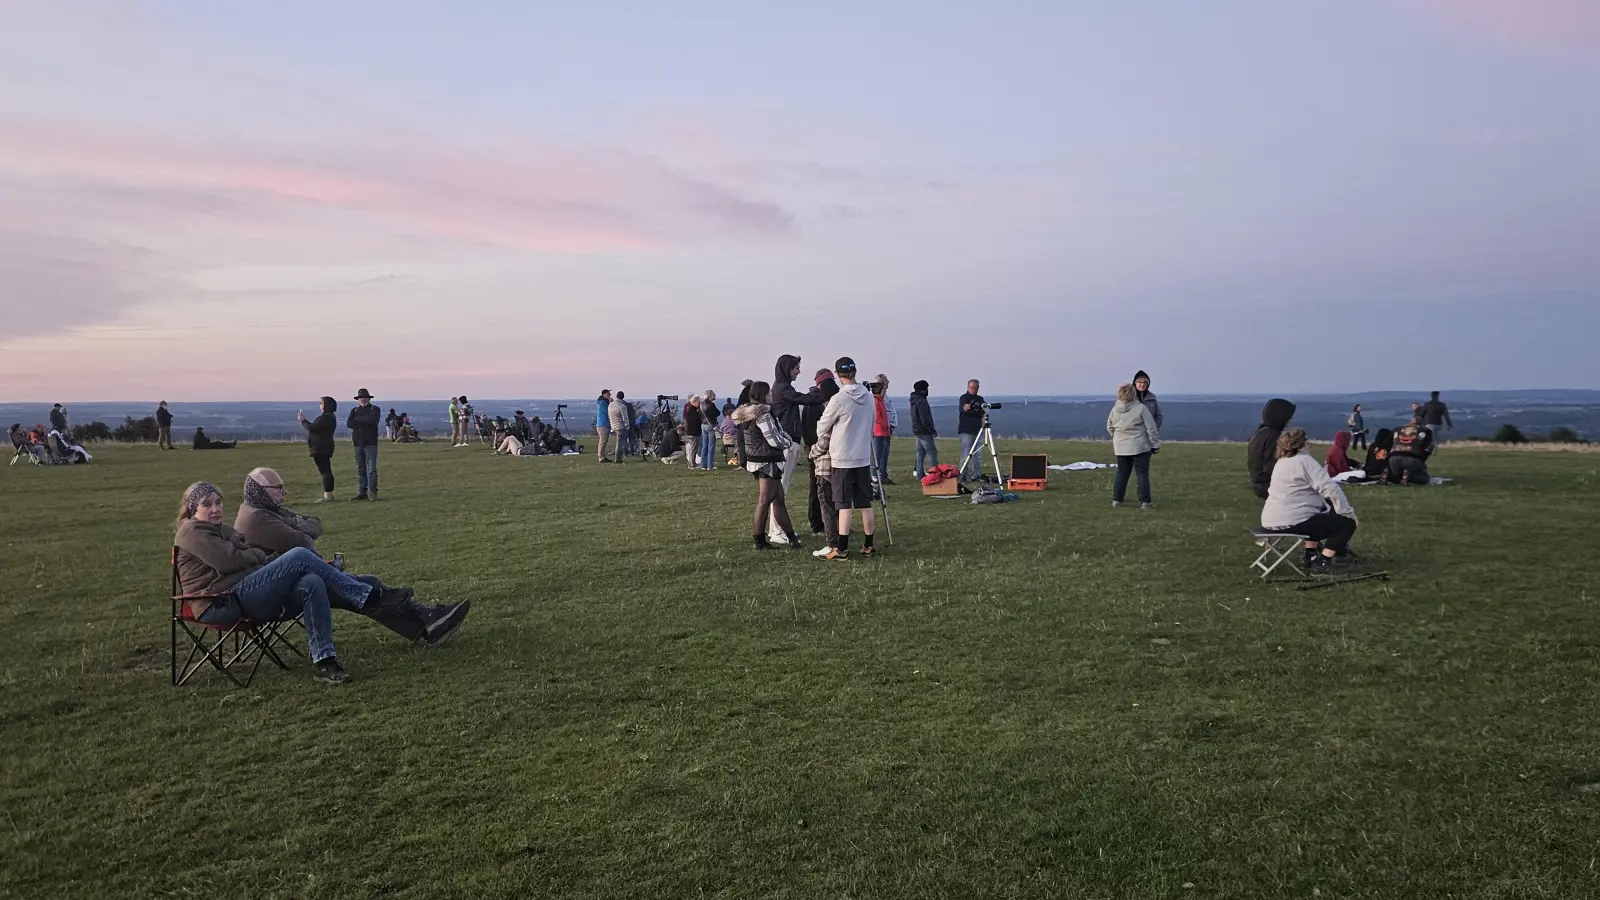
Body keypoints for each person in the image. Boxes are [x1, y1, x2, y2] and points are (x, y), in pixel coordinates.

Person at [175, 482, 436, 683]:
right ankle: (372, 596)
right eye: (207, 504)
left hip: (243, 592)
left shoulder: (222, 530)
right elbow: (230, 561)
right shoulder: (191, 531)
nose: (215, 508)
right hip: (220, 602)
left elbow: (247, 555)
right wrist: (252, 555)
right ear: (193, 508)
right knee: (300, 555)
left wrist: (251, 556)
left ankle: (325, 661)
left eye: (218, 502)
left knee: (312, 581)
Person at [232, 469, 469, 647]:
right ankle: (426, 620)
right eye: (278, 488)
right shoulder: (258, 519)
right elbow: (303, 541)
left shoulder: (264, 510)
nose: (285, 492)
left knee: (366, 587)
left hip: (298, 577)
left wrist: (298, 525)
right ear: (261, 491)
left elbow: (315, 522)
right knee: (366, 587)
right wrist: (299, 525)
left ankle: (426, 624)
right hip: (290, 590)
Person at [1260, 428, 1360, 575]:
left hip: (1270, 521)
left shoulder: (1281, 462)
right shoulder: (1305, 461)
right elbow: (1331, 489)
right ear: (1300, 444)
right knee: (1347, 523)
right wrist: (1347, 512)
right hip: (1292, 521)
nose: (1309, 442)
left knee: (1316, 518)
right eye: (1306, 440)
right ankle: (1322, 562)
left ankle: (1311, 555)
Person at [811, 357, 876, 561]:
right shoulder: (869, 396)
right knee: (865, 503)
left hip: (842, 458)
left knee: (843, 504)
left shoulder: (839, 399)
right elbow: (872, 421)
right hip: (863, 456)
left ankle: (842, 548)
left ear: (838, 375)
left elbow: (822, 426)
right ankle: (868, 544)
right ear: (855, 372)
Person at [732, 382, 803, 550]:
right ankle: (759, 540)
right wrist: (788, 442)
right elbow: (774, 438)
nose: (772, 395)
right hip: (767, 460)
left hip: (758, 459)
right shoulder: (763, 414)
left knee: (778, 500)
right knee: (765, 501)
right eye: (769, 392)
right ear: (764, 394)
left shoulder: (746, 414)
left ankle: (791, 538)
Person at [768, 354, 826, 544]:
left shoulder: (782, 388)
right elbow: (805, 399)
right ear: (787, 369)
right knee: (780, 489)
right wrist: (823, 391)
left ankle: (779, 529)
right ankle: (777, 531)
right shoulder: (783, 389)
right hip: (786, 442)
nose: (799, 372)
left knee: (781, 488)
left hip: (788, 441)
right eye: (796, 368)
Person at [1106, 382, 1161, 508]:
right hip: (1139, 445)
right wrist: (1155, 444)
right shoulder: (1141, 408)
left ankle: (1117, 500)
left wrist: (1118, 438)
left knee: (1122, 473)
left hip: (1120, 447)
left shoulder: (1115, 410)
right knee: (1142, 474)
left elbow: (1109, 426)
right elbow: (1151, 428)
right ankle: (1145, 501)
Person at [802, 368, 841, 536]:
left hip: (832, 449)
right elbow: (808, 428)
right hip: (816, 449)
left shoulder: (832, 400)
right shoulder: (813, 402)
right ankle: (817, 523)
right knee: (817, 487)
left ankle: (836, 523)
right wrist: (814, 449)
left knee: (835, 488)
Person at [1247, 398, 1296, 499]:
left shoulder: (1260, 433)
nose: (1290, 420)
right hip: (1268, 486)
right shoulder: (1274, 436)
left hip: (1258, 483)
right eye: (1288, 417)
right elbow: (1271, 467)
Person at [297, 397, 338, 503]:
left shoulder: (327, 417)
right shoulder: (328, 417)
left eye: (321, 403)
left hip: (321, 448)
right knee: (326, 470)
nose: (320, 405)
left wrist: (303, 420)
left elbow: (312, 427)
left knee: (325, 471)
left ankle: (328, 495)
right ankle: (329, 494)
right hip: (322, 447)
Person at [347, 388, 382, 500]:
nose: (362, 399)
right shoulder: (354, 410)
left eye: (364, 397)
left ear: (368, 398)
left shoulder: (375, 409)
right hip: (358, 443)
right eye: (360, 398)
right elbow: (349, 423)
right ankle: (362, 491)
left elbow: (371, 420)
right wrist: (364, 420)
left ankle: (372, 492)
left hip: (370, 442)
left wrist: (357, 420)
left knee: (371, 468)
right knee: (361, 468)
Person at [1387, 420, 1434, 485]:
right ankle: (1408, 476)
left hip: (1393, 458)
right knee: (1424, 479)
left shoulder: (1397, 429)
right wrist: (1422, 461)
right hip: (1412, 459)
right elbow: (1428, 448)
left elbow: (1387, 444)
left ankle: (1391, 477)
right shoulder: (1425, 430)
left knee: (1397, 475)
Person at [957, 379, 986, 482]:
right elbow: (963, 411)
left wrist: (971, 408)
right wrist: (976, 409)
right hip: (966, 430)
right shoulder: (963, 398)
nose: (974, 390)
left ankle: (976, 475)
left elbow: (983, 412)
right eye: (972, 387)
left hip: (978, 430)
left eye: (976, 388)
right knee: (966, 454)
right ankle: (962, 475)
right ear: (968, 387)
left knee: (977, 455)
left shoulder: (980, 399)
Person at [870, 374, 897, 485]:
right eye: (884, 384)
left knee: (884, 453)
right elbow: (878, 417)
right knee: (877, 455)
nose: (886, 386)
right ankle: (875, 478)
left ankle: (881, 475)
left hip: (885, 429)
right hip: (879, 431)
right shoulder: (876, 399)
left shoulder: (882, 398)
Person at [909, 379, 938, 480]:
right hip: (924, 431)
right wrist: (931, 430)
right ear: (923, 390)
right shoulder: (921, 401)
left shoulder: (914, 400)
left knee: (920, 453)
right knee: (932, 453)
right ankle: (935, 474)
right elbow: (924, 418)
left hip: (917, 430)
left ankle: (919, 474)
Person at [684, 395, 707, 470]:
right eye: (698, 402)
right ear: (694, 402)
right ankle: (692, 464)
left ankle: (692, 463)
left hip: (692, 432)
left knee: (693, 448)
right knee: (693, 448)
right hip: (693, 432)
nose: (699, 403)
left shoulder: (691, 409)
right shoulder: (692, 410)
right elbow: (697, 419)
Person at [699, 390, 720, 470]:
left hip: (703, 425)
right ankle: (709, 465)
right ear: (710, 396)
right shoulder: (711, 405)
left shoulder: (701, 404)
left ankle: (703, 465)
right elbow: (717, 413)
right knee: (711, 446)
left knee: (704, 446)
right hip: (711, 425)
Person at [607, 391, 630, 463]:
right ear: (623, 397)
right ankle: (618, 459)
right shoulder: (622, 406)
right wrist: (627, 426)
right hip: (621, 426)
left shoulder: (610, 405)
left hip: (613, 426)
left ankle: (618, 457)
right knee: (620, 444)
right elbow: (625, 418)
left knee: (618, 442)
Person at [595, 389, 614, 463]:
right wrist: (611, 403)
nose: (609, 395)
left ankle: (602, 456)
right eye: (608, 394)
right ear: (604, 394)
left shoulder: (603, 402)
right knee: (603, 441)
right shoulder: (602, 402)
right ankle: (601, 457)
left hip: (604, 424)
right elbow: (608, 411)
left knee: (604, 441)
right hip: (603, 424)